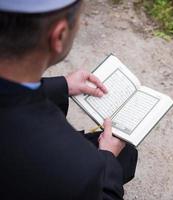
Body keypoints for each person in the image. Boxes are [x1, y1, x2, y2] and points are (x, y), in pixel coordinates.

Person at [0, 0, 137, 199]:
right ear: (60, 35)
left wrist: (62, 85)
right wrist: (106, 159)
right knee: (123, 154)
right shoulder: (79, 165)